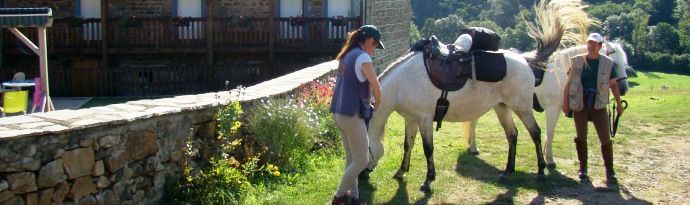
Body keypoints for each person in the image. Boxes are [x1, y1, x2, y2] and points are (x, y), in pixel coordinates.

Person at [329, 25, 384, 205]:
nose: (375, 50)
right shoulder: (363, 57)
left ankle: (353, 197)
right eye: (375, 45)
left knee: (352, 158)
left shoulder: (346, 56)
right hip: (351, 114)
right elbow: (376, 87)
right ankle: (338, 197)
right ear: (369, 41)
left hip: (338, 111)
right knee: (362, 160)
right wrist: (377, 104)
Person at [563, 33, 624, 184]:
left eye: (594, 44)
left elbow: (614, 84)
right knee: (581, 137)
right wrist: (565, 103)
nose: (591, 46)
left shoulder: (607, 63)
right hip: (580, 104)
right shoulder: (577, 61)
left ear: (600, 46)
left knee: (605, 138)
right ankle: (583, 169)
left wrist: (618, 103)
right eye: (589, 43)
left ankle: (610, 171)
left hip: (599, 104)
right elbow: (569, 83)